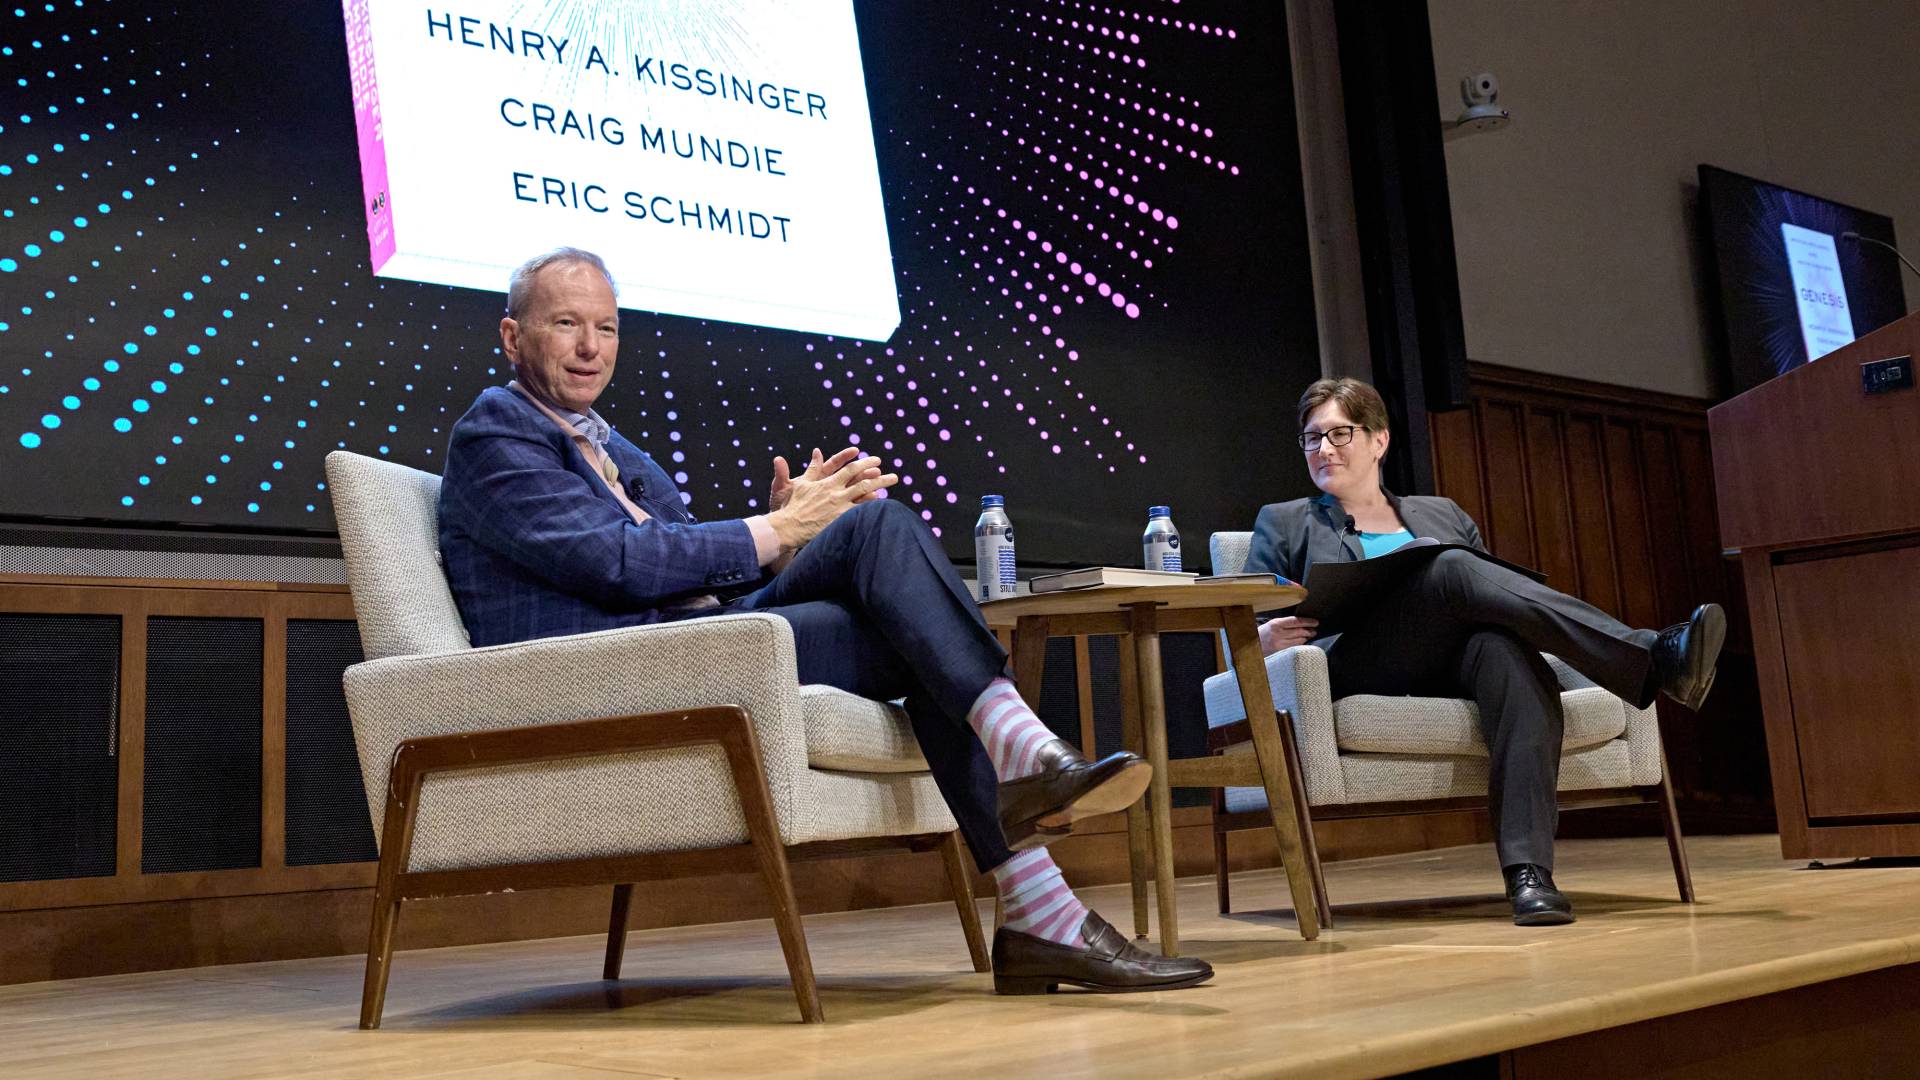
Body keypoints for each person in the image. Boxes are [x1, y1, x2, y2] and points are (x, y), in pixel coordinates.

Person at [437, 247, 1211, 993]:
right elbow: (618, 564)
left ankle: (1036, 842)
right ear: (512, 336)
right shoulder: (496, 432)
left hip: (698, 637)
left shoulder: (622, 452)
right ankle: (1036, 841)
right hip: (615, 664)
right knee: (911, 617)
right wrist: (779, 529)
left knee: (879, 534)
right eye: (566, 324)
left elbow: (681, 566)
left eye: (606, 328)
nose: (590, 347)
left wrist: (784, 538)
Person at [1244, 377, 1725, 926]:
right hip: (1357, 663)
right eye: (1312, 438)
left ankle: (1530, 876)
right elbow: (1243, 624)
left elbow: (1496, 599)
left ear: (1379, 440)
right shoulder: (1284, 521)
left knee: (1506, 653)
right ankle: (1651, 657)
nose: (1323, 449)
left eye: (1339, 434)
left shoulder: (1443, 514)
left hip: (1451, 662)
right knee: (1451, 567)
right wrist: (1264, 637)